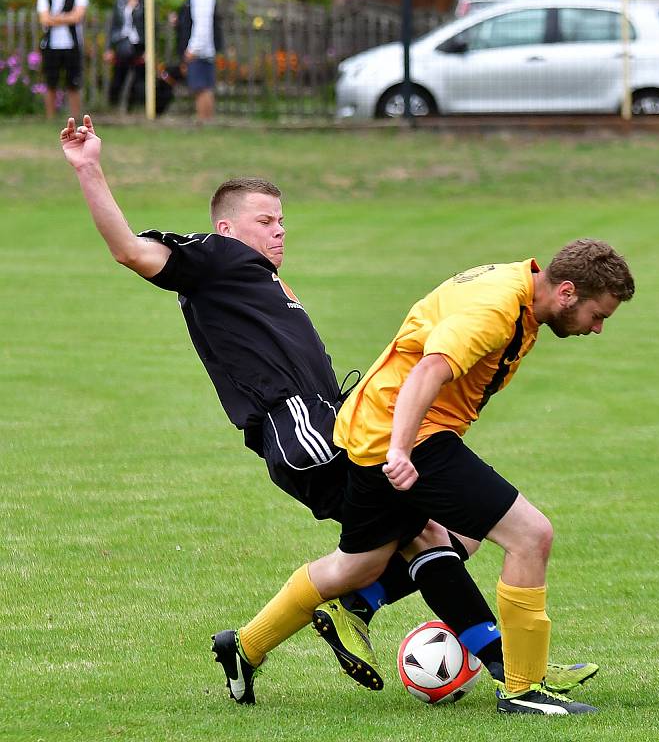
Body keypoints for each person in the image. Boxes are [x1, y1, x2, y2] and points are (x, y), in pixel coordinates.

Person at [60, 115, 597, 705]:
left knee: (425, 537)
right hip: (306, 433)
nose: (279, 231)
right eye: (264, 221)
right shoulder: (217, 257)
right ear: (225, 226)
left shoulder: (255, 276)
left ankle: (251, 644)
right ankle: (501, 670)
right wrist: (89, 167)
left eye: (282, 220)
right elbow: (130, 250)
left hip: (327, 421)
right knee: (416, 541)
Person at [218, 242, 634, 715]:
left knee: (367, 562)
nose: (597, 328)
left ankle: (247, 645)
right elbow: (428, 370)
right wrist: (399, 450)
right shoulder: (496, 307)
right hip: (408, 433)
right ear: (565, 292)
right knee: (531, 535)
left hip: (383, 425)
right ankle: (522, 687)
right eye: (598, 315)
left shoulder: (521, 288)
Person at [36, 0, 89, 119]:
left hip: (72, 46)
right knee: (50, 82)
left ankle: (75, 117)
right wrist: (67, 17)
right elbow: (44, 19)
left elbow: (77, 17)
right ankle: (50, 117)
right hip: (51, 46)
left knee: (73, 83)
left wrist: (55, 18)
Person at [177, 0, 217, 120]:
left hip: (200, 49)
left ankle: (204, 120)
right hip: (203, 48)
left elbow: (202, 23)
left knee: (201, 87)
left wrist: (193, 48)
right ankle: (206, 120)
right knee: (204, 86)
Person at [104, 0, 145, 110]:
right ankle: (112, 107)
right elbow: (114, 25)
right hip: (122, 44)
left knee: (138, 79)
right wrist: (109, 48)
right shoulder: (120, 2)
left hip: (139, 45)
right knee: (119, 76)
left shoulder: (144, 2)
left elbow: (150, 27)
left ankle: (134, 108)